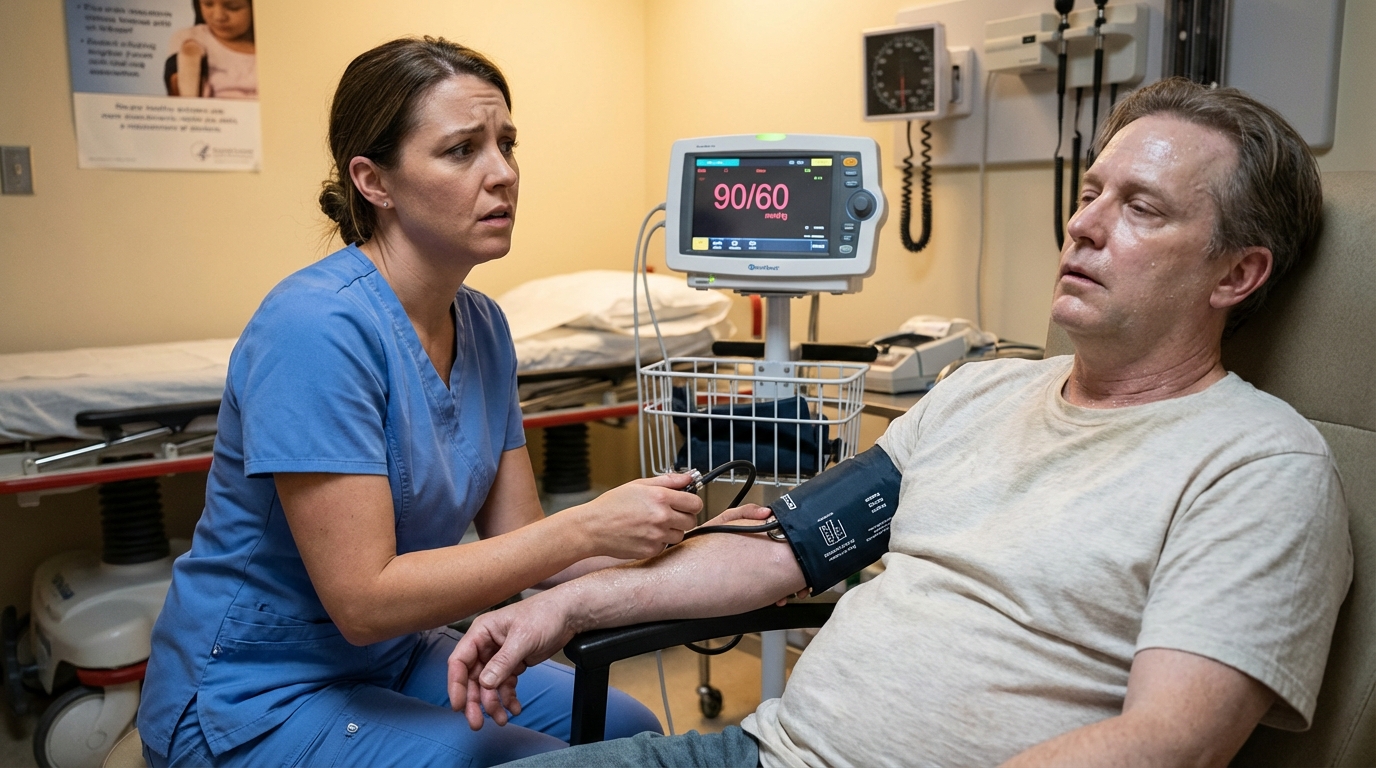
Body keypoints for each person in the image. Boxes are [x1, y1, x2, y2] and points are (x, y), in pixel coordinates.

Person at [448, 78, 1353, 768]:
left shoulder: (1257, 466)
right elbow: (783, 547)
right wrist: (566, 601)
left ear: (1236, 275)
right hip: (769, 751)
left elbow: (1169, 743)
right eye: (1091, 193)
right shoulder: (977, 393)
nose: (1083, 226)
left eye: (1142, 209)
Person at [137, 37, 752, 767]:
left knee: (624, 727)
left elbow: (525, 548)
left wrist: (687, 548)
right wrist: (588, 526)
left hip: (390, 658)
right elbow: (363, 602)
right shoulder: (315, 329)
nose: (504, 174)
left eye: (507, 144)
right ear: (375, 181)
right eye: (462, 150)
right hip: (255, 691)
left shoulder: (484, 326)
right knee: (529, 758)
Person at [165, 0, 256, 99]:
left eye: (233, 7)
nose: (219, 17)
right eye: (208, 4)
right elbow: (182, 95)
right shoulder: (193, 38)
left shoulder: (270, 44)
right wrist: (190, 56)